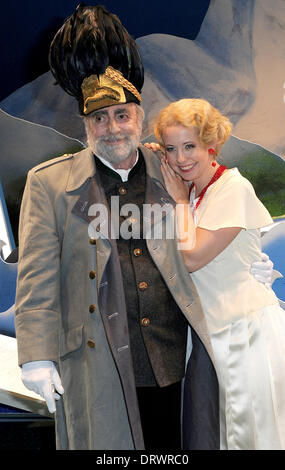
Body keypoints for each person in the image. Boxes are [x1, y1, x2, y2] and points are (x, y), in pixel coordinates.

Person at [14, 6, 273, 451]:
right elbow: (36, 278)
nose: (111, 127)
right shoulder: (49, 184)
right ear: (85, 124)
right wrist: (36, 354)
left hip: (177, 359)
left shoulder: (169, 167)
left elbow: (210, 220)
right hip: (99, 364)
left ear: (138, 115)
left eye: (121, 114)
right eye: (99, 118)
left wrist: (244, 262)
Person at [152, 97, 285, 450]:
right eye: (171, 149)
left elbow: (192, 258)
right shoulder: (194, 190)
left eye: (190, 146)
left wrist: (179, 201)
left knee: (248, 437)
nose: (181, 159)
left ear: (211, 144)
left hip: (244, 334)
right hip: (212, 336)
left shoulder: (232, 188)